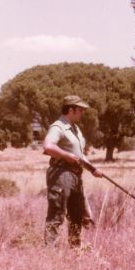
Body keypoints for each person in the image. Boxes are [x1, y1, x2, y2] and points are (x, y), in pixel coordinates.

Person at [42, 95, 102, 247]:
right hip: (61, 174)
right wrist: (66, 156)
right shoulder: (58, 127)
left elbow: (80, 156)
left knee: (77, 216)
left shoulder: (76, 129)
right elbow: (48, 146)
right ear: (71, 110)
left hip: (75, 176)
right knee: (56, 214)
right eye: (80, 110)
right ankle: (50, 252)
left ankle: (75, 249)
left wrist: (92, 169)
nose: (82, 113)